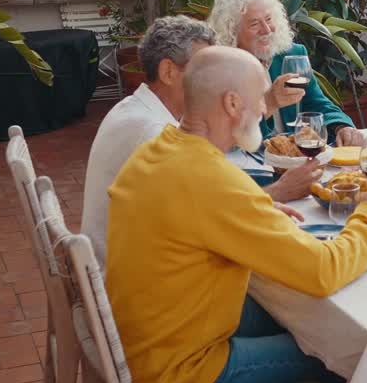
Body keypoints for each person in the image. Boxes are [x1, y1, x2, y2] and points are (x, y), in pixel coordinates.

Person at [104, 46, 367, 383]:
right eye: (260, 97)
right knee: (348, 351)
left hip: (147, 345)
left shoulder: (157, 150)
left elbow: (196, 214)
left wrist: (251, 207)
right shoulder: (215, 180)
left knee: (301, 318)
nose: (264, 108)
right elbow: (323, 272)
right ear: (231, 103)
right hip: (180, 378)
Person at [82, 17, 320, 262]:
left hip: (135, 265)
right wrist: (280, 191)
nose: (210, 78)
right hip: (131, 277)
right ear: (168, 72)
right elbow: (210, 216)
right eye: (201, 68)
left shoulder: (139, 108)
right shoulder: (151, 132)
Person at [208, 0, 366, 146]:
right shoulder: (220, 70)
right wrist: (269, 102)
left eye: (268, 19)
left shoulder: (291, 55)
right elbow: (227, 134)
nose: (267, 30)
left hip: (293, 155)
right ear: (232, 31)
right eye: (254, 24)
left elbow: (317, 103)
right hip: (250, 162)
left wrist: (341, 126)